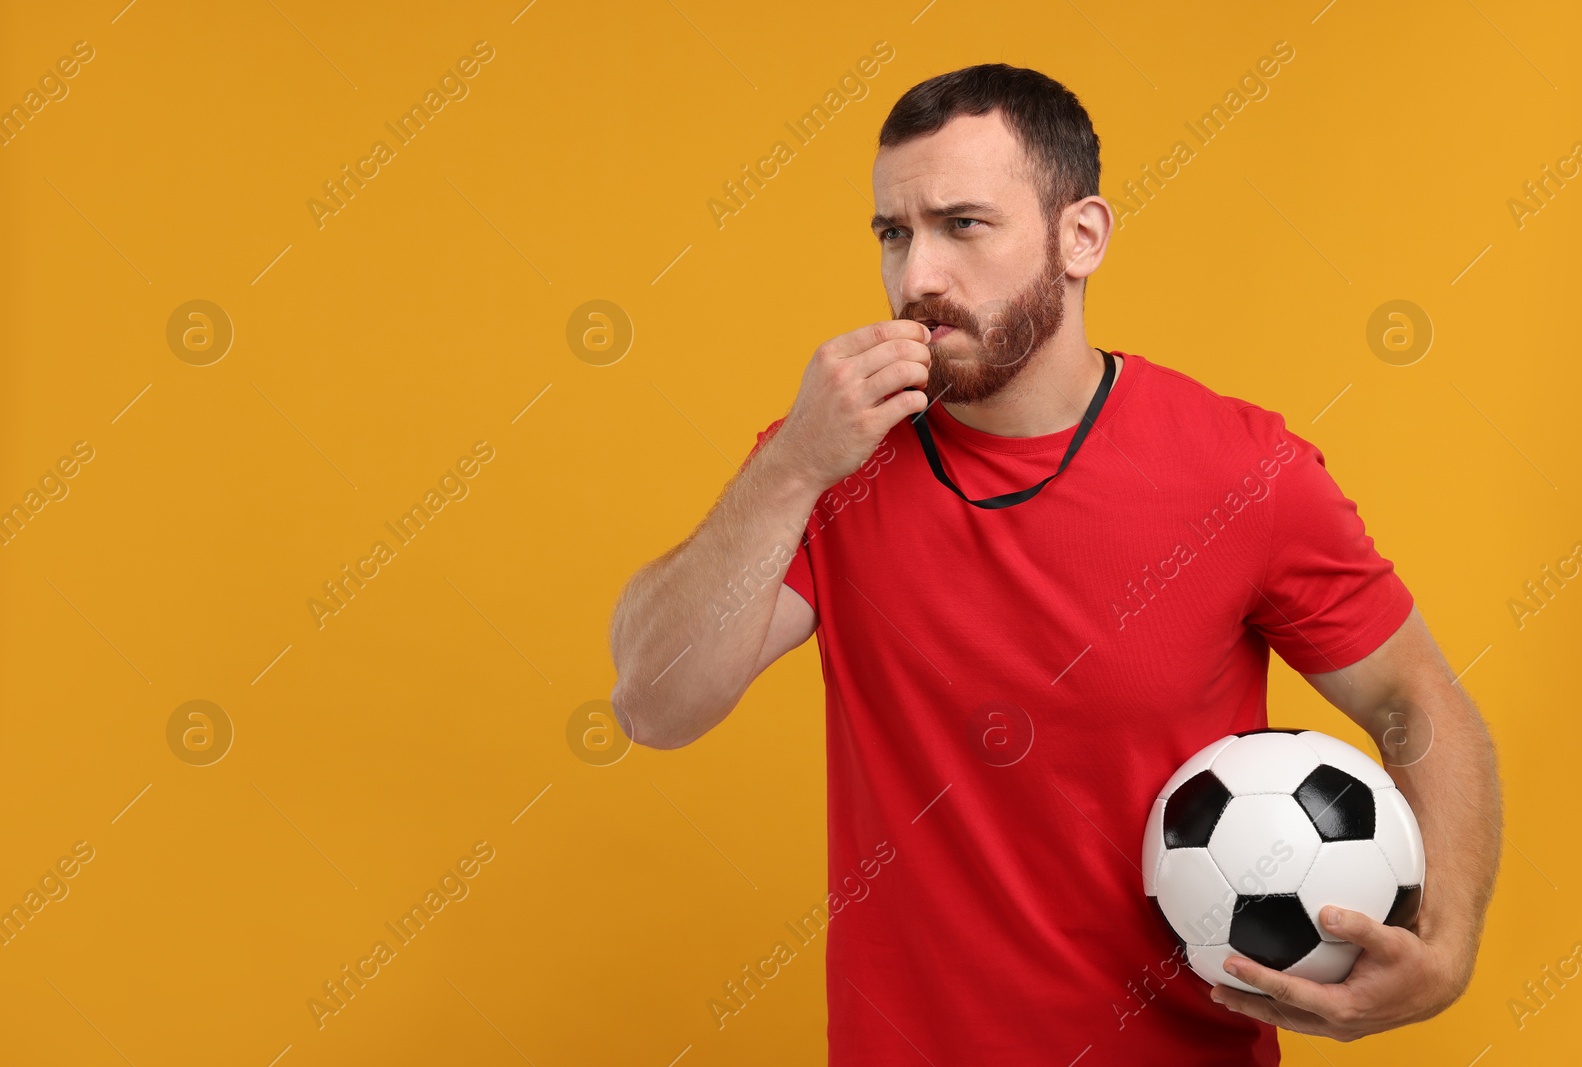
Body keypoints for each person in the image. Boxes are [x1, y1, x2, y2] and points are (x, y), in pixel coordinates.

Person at [606, 63, 1501, 1066]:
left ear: (1081, 237)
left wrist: (1447, 942)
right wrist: (791, 467)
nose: (917, 280)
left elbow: (1415, 699)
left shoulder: (1243, 472)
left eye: (963, 225)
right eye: (894, 234)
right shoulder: (825, 460)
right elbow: (653, 702)